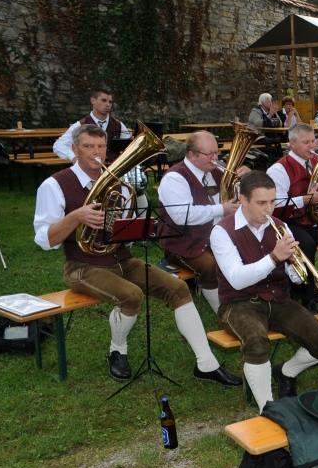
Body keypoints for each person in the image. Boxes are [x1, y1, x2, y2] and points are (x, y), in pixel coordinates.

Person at [34, 124, 240, 386]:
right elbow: (45, 240)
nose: (96, 152)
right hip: (82, 265)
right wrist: (76, 217)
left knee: (178, 288)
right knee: (131, 296)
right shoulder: (55, 185)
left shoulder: (117, 183)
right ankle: (117, 350)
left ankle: (206, 364)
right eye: (88, 147)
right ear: (74, 149)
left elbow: (127, 231)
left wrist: (135, 221)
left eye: (101, 146)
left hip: (122, 259)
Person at [210, 171, 318, 409]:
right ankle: (268, 408)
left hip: (278, 299)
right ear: (243, 200)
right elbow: (236, 280)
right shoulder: (222, 231)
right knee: (257, 344)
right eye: (261, 203)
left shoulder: (281, 226)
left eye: (272, 202)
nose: (269, 209)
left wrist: (295, 269)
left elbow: (294, 277)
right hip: (238, 302)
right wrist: (275, 257)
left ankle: (285, 372)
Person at [157, 130, 242, 314]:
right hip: (182, 242)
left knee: (245, 252)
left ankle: (242, 300)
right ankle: (223, 311)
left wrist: (245, 180)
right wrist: (222, 209)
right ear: (192, 155)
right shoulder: (174, 178)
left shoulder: (217, 172)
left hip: (214, 236)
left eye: (216, 152)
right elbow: (182, 216)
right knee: (211, 266)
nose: (215, 158)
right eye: (209, 154)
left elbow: (238, 195)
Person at [265, 123, 318, 304]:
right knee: (306, 243)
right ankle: (307, 295)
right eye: (306, 142)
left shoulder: (316, 163)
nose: (312, 146)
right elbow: (276, 204)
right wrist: (307, 199)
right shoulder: (279, 169)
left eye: (313, 141)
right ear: (292, 144)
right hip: (287, 222)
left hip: (314, 219)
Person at [53, 88, 132, 162]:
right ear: (93, 101)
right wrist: (74, 157)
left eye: (110, 102)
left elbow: (130, 147)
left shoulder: (118, 125)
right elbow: (59, 145)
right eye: (103, 100)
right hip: (88, 169)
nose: (108, 104)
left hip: (114, 168)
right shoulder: (80, 125)